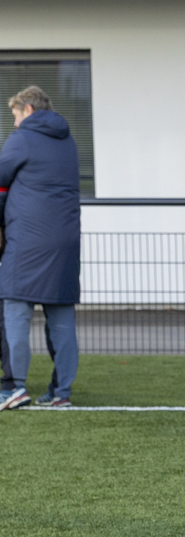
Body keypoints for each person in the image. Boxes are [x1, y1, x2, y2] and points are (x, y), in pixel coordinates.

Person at [0, 85, 80, 411]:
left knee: (15, 311)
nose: (14, 122)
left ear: (28, 110)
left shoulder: (22, 138)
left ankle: (13, 387)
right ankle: (61, 392)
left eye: (15, 115)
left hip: (28, 242)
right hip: (66, 243)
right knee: (61, 317)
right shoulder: (69, 140)